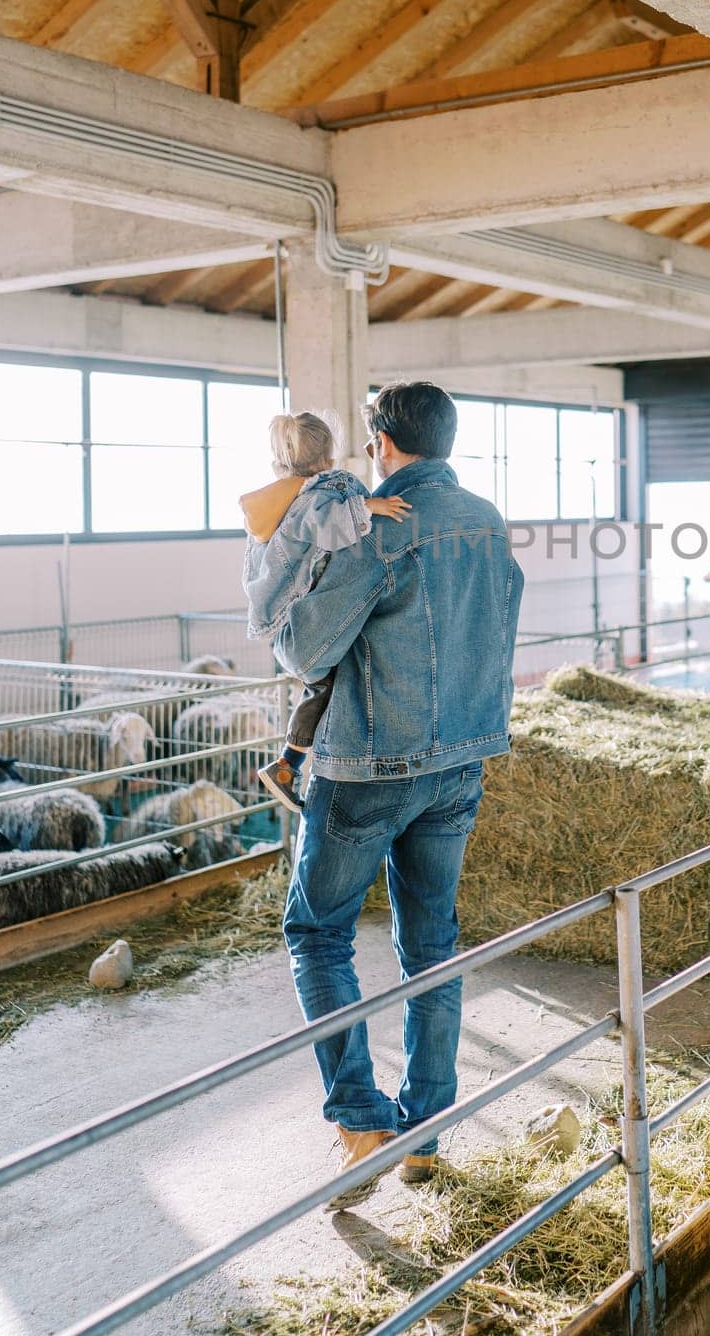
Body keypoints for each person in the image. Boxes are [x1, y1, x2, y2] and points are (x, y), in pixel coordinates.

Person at [272, 381, 524, 1207]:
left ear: (381, 441)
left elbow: (307, 648)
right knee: (432, 943)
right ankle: (425, 1132)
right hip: (460, 763)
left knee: (317, 932)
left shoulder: (380, 527)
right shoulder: (488, 521)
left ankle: (360, 1120)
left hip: (369, 768)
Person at [239, 409, 411, 811]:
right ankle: (288, 764)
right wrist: (370, 507)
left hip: (289, 615)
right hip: (297, 619)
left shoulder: (286, 497)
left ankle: (290, 763)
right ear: (329, 455)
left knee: (322, 683)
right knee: (326, 681)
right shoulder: (317, 497)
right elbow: (327, 526)